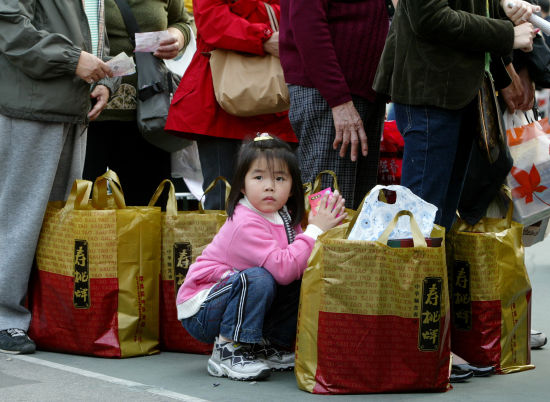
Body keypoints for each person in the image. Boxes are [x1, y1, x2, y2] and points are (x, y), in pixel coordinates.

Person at [373, 0, 538, 382]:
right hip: (433, 91)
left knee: (436, 224)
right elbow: (430, 17)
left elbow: (461, 13)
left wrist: (504, 17)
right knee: (420, 226)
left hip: (459, 91)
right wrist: (505, 32)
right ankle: (418, 346)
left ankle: (434, 342)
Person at [176, 134, 346, 381]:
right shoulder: (244, 221)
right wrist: (316, 230)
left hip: (234, 297)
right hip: (201, 309)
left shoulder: (284, 215)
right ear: (242, 186)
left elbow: (298, 264)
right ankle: (228, 349)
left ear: (292, 187)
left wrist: (322, 222)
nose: (270, 186)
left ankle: (267, 346)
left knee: (301, 274)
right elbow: (283, 268)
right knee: (260, 277)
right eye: (259, 177)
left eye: (279, 178)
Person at [0, 0, 118, 354]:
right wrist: (73, 60)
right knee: (20, 218)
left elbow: (94, 31)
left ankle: (32, 315)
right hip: (31, 107)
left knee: (54, 223)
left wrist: (103, 80)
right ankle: (5, 317)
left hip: (69, 106)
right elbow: (8, 24)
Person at [165, 0, 296, 211]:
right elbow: (212, 21)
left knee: (281, 202)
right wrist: (263, 37)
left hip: (274, 97)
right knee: (223, 201)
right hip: (221, 100)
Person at [278, 0, 390, 210]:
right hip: (329, 95)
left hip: (359, 94)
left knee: (356, 210)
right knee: (329, 206)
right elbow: (308, 23)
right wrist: (338, 99)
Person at [83, 0, 193, 206]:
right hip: (90, 115)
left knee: (147, 212)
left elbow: (183, 22)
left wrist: (177, 38)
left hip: (149, 115)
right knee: (83, 212)